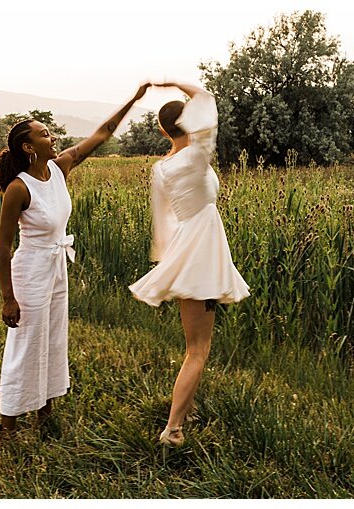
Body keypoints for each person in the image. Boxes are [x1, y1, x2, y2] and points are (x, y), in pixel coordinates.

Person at [0, 83, 149, 443]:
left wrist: (134, 100)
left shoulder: (61, 168)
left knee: (53, 337)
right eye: (44, 134)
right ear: (28, 147)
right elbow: (3, 248)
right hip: (30, 270)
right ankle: (7, 428)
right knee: (26, 344)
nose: (53, 137)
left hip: (56, 265)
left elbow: (102, 134)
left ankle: (45, 413)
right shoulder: (19, 188)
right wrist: (7, 297)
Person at [127, 81, 250, 447]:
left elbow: (162, 221)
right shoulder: (197, 155)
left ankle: (187, 406)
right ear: (186, 125)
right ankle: (173, 428)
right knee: (198, 349)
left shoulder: (161, 168)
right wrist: (175, 83)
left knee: (195, 344)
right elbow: (207, 98)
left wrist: (170, 262)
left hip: (187, 248)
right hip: (200, 254)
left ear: (163, 130)